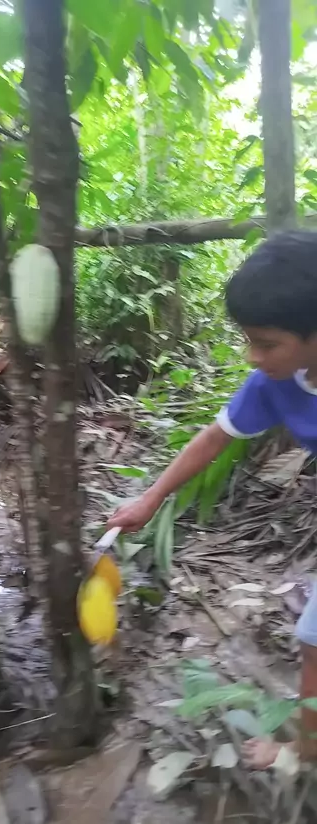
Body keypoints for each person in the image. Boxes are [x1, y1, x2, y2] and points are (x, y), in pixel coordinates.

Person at [107, 230, 317, 770]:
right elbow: (213, 439)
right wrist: (149, 499)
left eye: (266, 343)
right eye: (248, 340)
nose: (253, 356)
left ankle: (305, 752)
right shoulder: (275, 383)